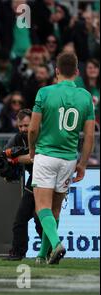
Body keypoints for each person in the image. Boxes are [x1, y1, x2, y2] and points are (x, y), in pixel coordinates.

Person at [28, 52, 95, 265]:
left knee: (42, 207)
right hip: (68, 159)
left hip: (46, 155)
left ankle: (56, 244)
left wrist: (31, 151)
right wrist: (82, 163)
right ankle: (42, 256)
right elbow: (90, 136)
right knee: (55, 210)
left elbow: (32, 129)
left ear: (56, 71)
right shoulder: (86, 97)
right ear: (77, 72)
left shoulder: (44, 92)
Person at [1, 109, 43, 261]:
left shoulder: (42, 135)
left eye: (27, 125)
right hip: (34, 178)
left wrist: (15, 159)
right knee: (21, 219)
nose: (24, 129)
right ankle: (18, 252)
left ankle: (49, 251)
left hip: (46, 177)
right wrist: (7, 167)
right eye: (20, 126)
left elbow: (35, 158)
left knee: (39, 219)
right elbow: (5, 154)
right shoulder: (17, 138)